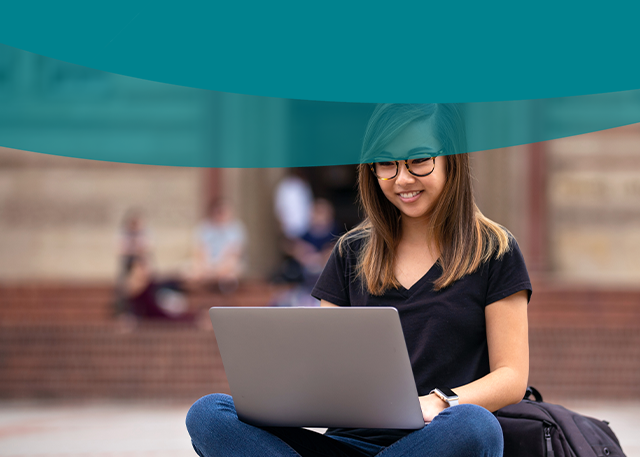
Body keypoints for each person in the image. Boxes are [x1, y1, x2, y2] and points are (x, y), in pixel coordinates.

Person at [186, 103, 531, 457]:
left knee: (476, 427)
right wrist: (287, 390)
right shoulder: (351, 251)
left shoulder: (495, 251)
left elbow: (511, 377)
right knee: (209, 414)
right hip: (343, 443)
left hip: (433, 440)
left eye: (419, 159)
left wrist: (438, 403)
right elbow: (325, 365)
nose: (402, 179)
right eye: (386, 163)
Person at [190, 197, 247, 291]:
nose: (221, 215)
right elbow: (200, 251)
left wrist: (219, 270)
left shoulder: (236, 228)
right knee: (192, 272)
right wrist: (208, 268)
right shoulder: (203, 228)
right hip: (207, 266)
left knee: (234, 270)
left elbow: (234, 254)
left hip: (226, 266)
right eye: (218, 212)